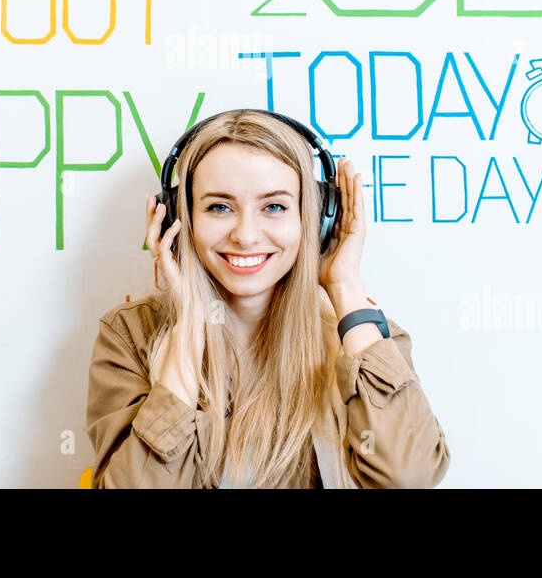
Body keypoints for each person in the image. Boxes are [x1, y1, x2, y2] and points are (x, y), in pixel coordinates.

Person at [84, 109, 451, 488]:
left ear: (315, 219)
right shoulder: (129, 336)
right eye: (219, 207)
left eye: (274, 206)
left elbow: (409, 479)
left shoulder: (364, 339)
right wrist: (188, 331)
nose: (246, 235)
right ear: (180, 218)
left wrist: (343, 286)